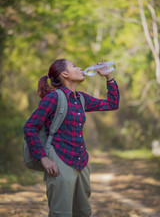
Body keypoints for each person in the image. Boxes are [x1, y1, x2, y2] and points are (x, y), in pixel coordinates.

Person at [23, 58, 120, 217]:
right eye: (75, 66)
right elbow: (30, 127)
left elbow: (112, 104)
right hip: (60, 161)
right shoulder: (53, 98)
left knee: (83, 212)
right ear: (65, 74)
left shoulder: (80, 98)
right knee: (61, 213)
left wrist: (109, 77)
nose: (80, 68)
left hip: (81, 163)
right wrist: (43, 158)